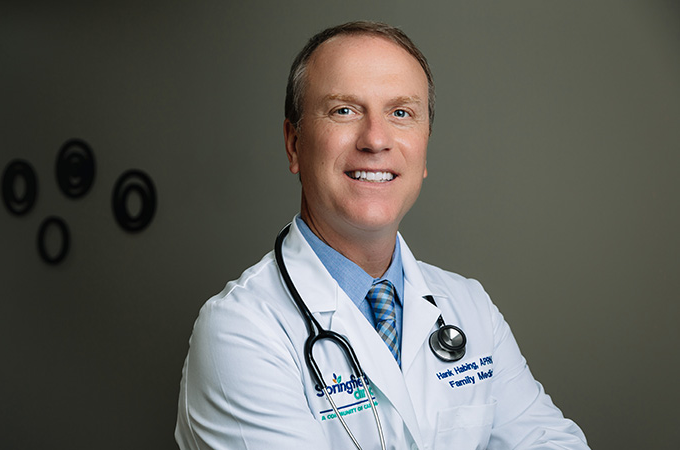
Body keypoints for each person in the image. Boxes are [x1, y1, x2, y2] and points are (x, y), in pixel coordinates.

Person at [176, 21, 590, 449]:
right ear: (294, 144)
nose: (376, 139)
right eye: (344, 110)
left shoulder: (470, 308)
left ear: (425, 147)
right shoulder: (239, 331)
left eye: (401, 113)